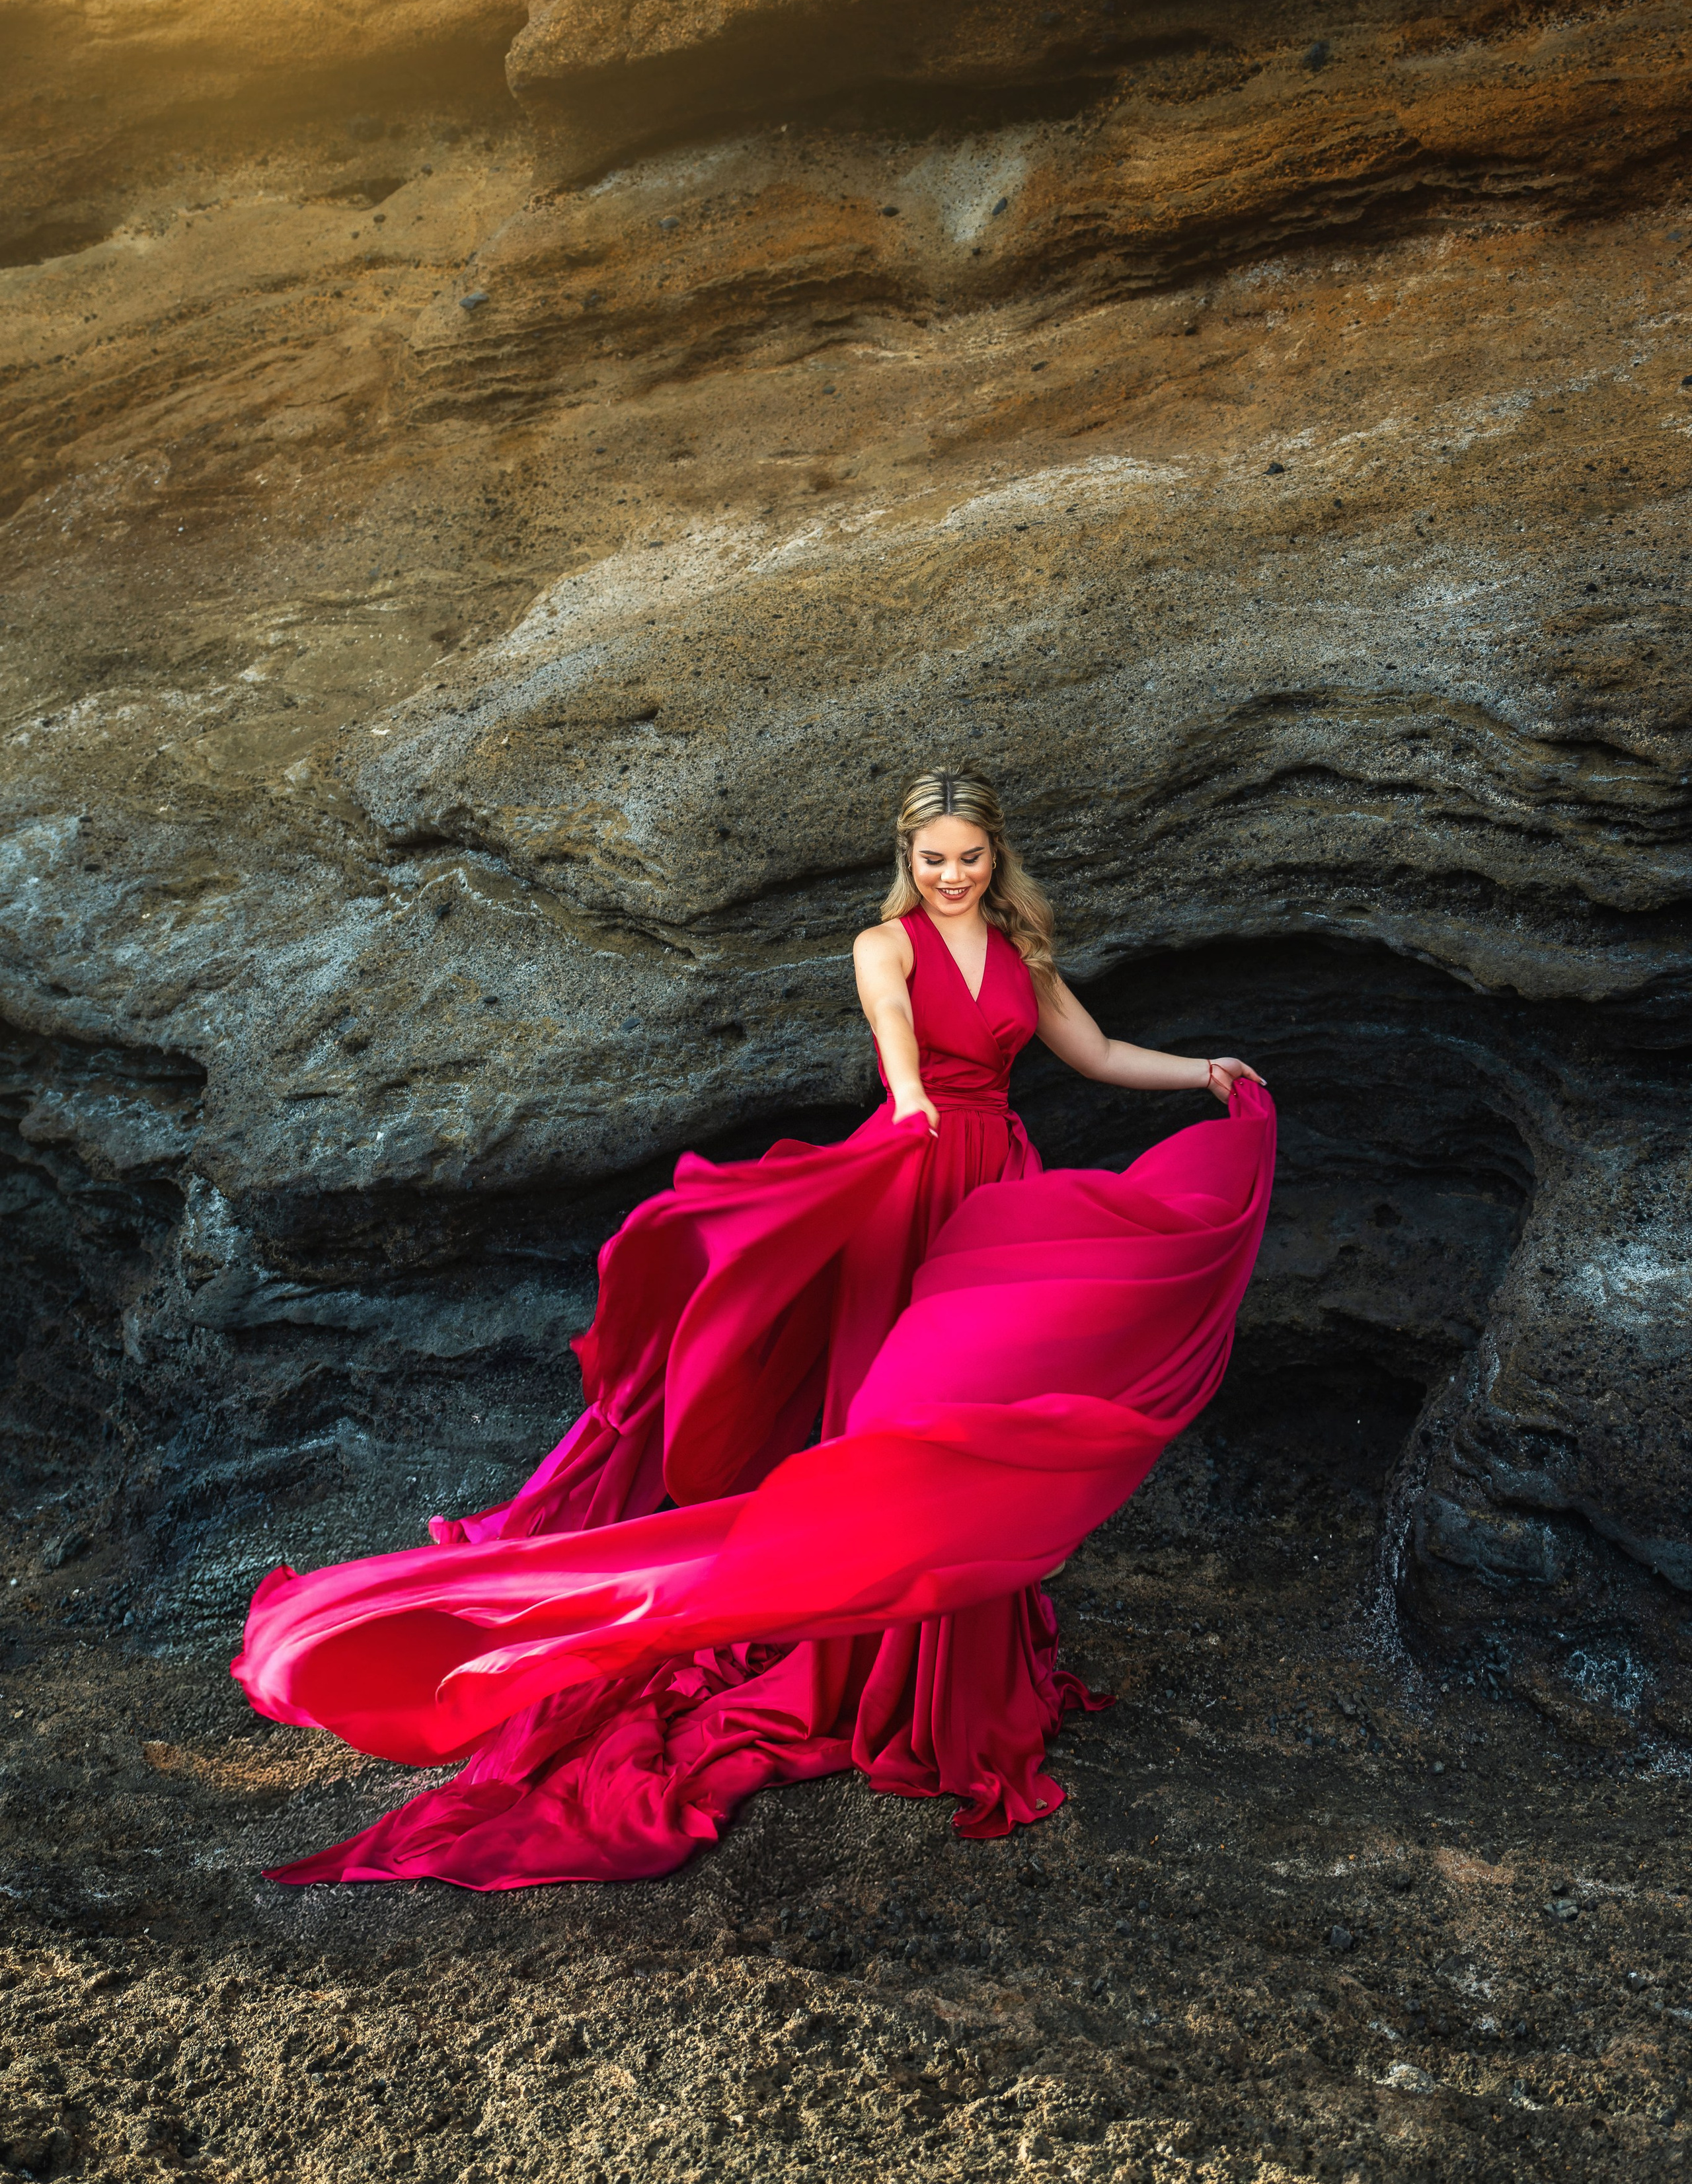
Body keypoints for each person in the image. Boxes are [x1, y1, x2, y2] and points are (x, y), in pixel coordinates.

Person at [235, 770, 1274, 1887]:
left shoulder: (1026, 958)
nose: (952, 875)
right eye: (933, 859)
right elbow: (895, 1041)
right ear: (908, 860)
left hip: (996, 1187)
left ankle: (946, 1652)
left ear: (996, 857)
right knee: (897, 1412)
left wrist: (1206, 1073)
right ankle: (865, 1647)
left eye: (970, 857)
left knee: (981, 1407)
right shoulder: (888, 945)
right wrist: (914, 1100)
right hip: (914, 1173)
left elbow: (1097, 1056)